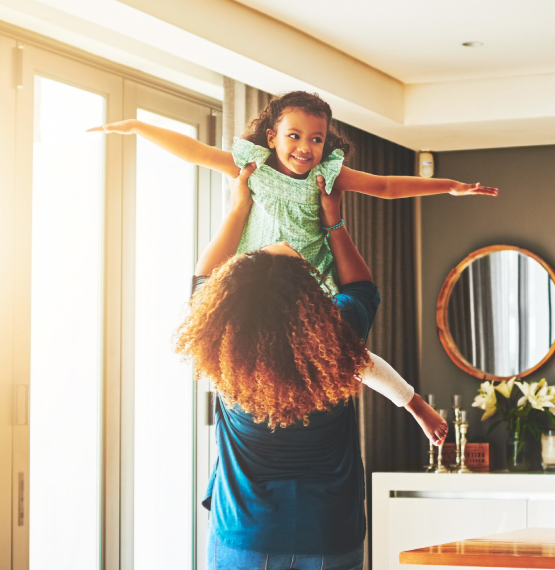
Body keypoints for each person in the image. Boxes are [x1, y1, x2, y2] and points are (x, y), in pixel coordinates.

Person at [175, 163, 446, 569]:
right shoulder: (337, 331)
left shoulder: (222, 343)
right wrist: (334, 221)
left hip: (245, 537)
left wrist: (238, 209)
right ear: (308, 293)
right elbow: (360, 289)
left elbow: (203, 278)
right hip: (330, 534)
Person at [90, 90, 496, 293]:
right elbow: (194, 151)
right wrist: (136, 127)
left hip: (311, 277)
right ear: (272, 136)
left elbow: (386, 187)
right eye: (295, 136)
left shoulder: (326, 175)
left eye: (316, 140)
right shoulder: (255, 167)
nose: (306, 147)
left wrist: (451, 186)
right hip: (259, 268)